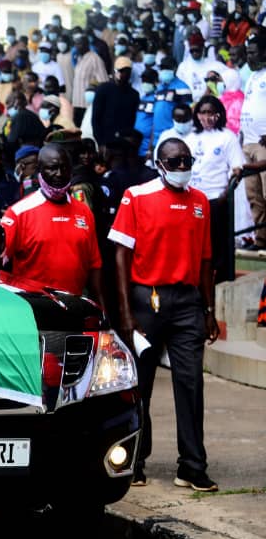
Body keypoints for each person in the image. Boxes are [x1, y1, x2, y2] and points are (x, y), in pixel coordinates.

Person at [108, 137, 219, 491]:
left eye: (186, 160)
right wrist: (125, 311)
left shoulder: (200, 201)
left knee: (191, 383)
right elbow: (121, 255)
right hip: (147, 299)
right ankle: (135, 459)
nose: (182, 167)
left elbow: (205, 261)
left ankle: (191, 465)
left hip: (187, 301)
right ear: (159, 164)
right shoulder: (136, 196)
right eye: (174, 162)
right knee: (140, 384)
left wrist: (209, 309)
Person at [0, 144, 104, 303]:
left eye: (64, 168)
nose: (59, 173)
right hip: (35, 310)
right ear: (40, 170)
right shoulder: (17, 213)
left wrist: (100, 308)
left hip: (75, 308)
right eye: (52, 168)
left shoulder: (84, 212)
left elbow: (94, 264)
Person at [186, 95, 246, 281]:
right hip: (191, 197)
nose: (207, 117)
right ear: (197, 115)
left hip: (215, 198)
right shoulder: (191, 137)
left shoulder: (227, 137)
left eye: (212, 113)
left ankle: (219, 279)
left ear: (219, 115)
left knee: (217, 243)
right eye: (203, 113)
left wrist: (224, 194)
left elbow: (236, 168)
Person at [240, 32, 266, 251]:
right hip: (248, 142)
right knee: (254, 196)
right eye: (247, 53)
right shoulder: (252, 76)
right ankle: (261, 241)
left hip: (263, 144)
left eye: (253, 53)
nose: (248, 57)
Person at [92, 57, 141, 146]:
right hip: (106, 141)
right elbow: (95, 118)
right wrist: (100, 143)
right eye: (120, 71)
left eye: (125, 71)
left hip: (124, 142)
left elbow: (132, 120)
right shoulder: (103, 89)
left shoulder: (134, 94)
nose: (122, 74)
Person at [72, 36, 108, 126]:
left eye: (79, 44)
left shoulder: (95, 59)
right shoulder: (79, 58)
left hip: (88, 106)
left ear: (86, 45)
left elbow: (103, 82)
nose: (77, 46)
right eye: (75, 44)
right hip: (77, 104)